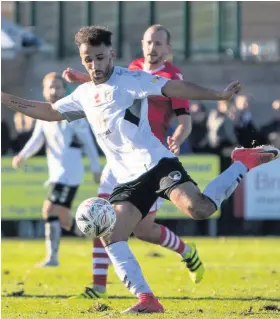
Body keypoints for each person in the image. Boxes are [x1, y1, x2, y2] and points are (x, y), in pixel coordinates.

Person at [2, 26, 278, 314]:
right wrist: (5, 98)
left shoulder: (131, 79)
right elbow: (48, 111)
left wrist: (218, 96)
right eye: (88, 60)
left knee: (200, 209)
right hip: (128, 178)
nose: (94, 65)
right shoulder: (83, 94)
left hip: (156, 164)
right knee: (112, 236)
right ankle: (147, 299)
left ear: (112, 54)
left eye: (99, 57)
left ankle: (241, 162)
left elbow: (174, 88)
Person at [63, 24, 198, 300]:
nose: (153, 48)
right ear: (142, 44)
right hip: (117, 159)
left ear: (168, 49)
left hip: (149, 160)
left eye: (159, 43)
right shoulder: (132, 68)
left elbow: (185, 118)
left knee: (144, 230)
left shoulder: (173, 77)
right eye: (149, 42)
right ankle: (99, 286)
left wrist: (179, 137)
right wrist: (82, 79)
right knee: (99, 215)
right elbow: (106, 86)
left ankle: (187, 251)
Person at [11, 72, 101, 267]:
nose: (54, 90)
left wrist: (96, 168)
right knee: (61, 217)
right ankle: (96, 238)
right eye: (50, 87)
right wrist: (22, 155)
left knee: (49, 210)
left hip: (69, 174)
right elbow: (36, 140)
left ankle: (53, 257)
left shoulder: (73, 113)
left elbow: (88, 143)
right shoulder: (43, 116)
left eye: (58, 87)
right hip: (56, 174)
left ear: (64, 89)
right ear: (44, 91)